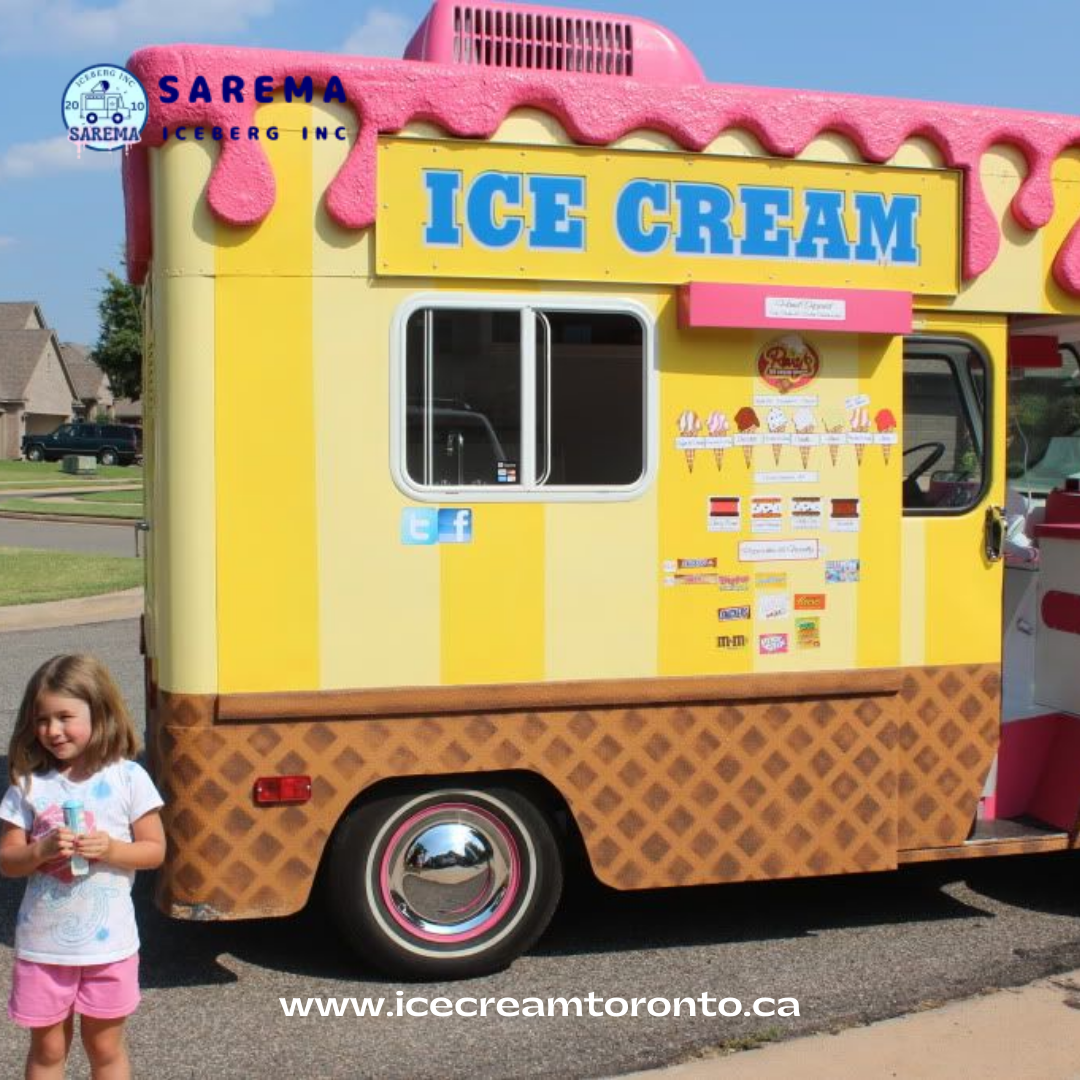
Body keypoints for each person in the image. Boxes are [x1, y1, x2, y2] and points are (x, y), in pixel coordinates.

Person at [0, 655, 165, 1080]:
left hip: (109, 949)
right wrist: (39, 852)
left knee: (105, 1047)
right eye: (42, 719)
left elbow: (154, 850)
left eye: (65, 717)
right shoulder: (28, 784)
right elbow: (8, 860)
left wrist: (110, 848)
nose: (52, 731)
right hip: (43, 948)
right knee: (48, 1049)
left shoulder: (128, 777)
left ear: (100, 712)